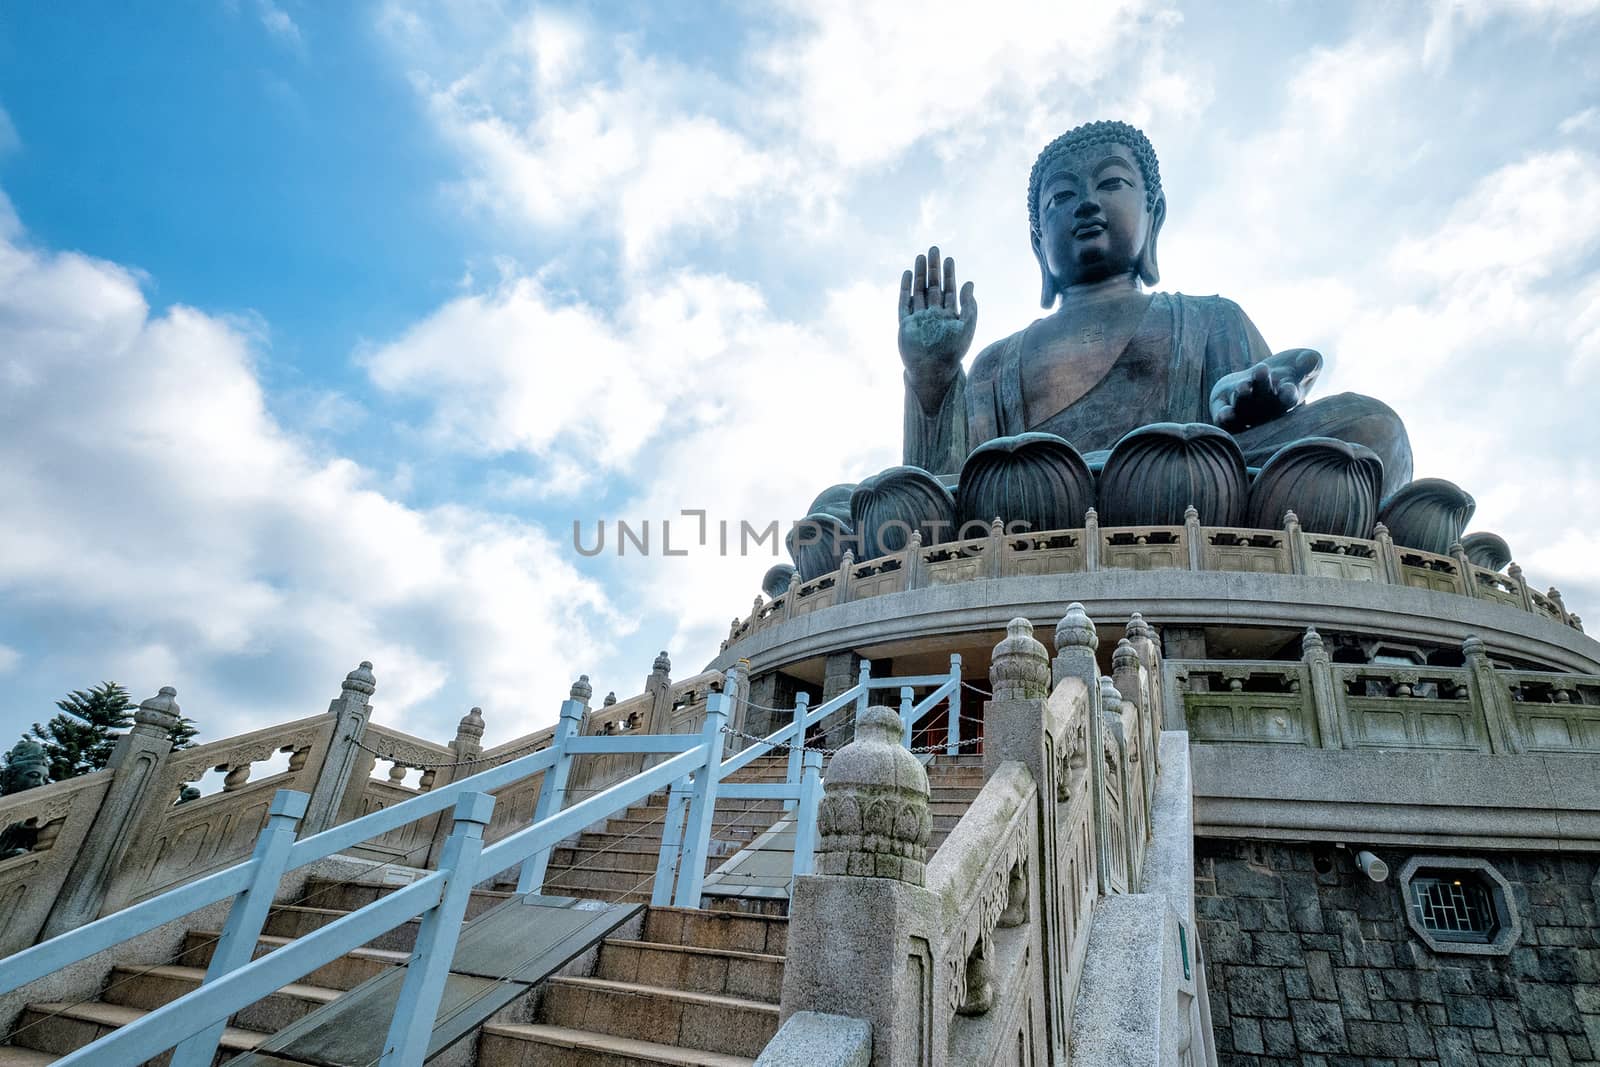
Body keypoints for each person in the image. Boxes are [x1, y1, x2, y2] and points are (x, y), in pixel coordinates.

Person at [898, 120, 1412, 497]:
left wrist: (1254, 401)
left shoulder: (1211, 319)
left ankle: (1135, 478)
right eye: (1061, 196)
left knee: (1371, 428)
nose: (1085, 204)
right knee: (845, 506)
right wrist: (934, 380)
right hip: (1039, 500)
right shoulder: (997, 363)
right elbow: (945, 483)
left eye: (1111, 183)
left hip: (1187, 488)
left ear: (1154, 215)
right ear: (1039, 244)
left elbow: (1265, 427)